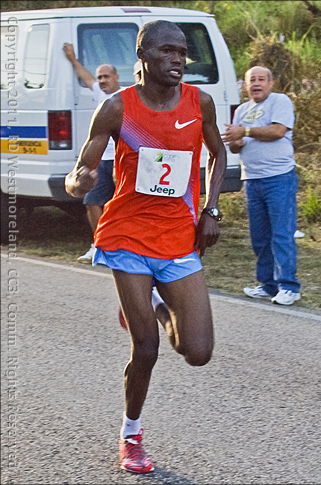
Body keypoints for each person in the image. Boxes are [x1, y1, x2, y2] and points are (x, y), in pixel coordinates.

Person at [65, 20, 226, 474]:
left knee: (197, 351)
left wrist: (210, 210)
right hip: (127, 236)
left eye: (182, 53)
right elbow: (80, 172)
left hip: (178, 236)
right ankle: (130, 437)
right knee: (148, 349)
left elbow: (218, 154)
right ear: (143, 56)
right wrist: (81, 181)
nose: (178, 60)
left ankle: (153, 301)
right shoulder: (117, 109)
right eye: (168, 52)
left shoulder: (201, 103)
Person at [222, 66, 301, 306]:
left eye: (261, 79)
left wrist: (244, 131)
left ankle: (289, 286)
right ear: (245, 86)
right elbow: (237, 146)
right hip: (252, 179)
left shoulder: (280, 101)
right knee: (260, 237)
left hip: (279, 178)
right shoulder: (243, 110)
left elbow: (278, 131)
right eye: (251, 81)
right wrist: (234, 141)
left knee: (281, 234)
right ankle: (268, 285)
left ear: (271, 82)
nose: (256, 84)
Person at [63, 43, 123, 263]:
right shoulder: (99, 93)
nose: (102, 80)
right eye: (100, 77)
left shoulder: (126, 97)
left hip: (121, 162)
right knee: (91, 201)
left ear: (117, 77)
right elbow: (86, 77)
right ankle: (100, 246)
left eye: (107, 76)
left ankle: (125, 249)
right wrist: (72, 60)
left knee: (122, 206)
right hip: (100, 161)